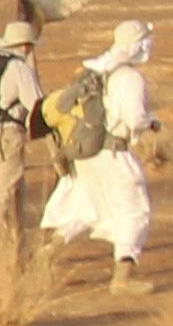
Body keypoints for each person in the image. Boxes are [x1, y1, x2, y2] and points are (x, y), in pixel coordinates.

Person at [36, 17, 156, 285]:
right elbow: (134, 119)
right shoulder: (130, 78)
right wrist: (151, 122)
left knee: (84, 207)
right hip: (114, 154)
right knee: (134, 211)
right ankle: (123, 278)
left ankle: (47, 254)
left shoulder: (96, 71)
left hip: (86, 154)